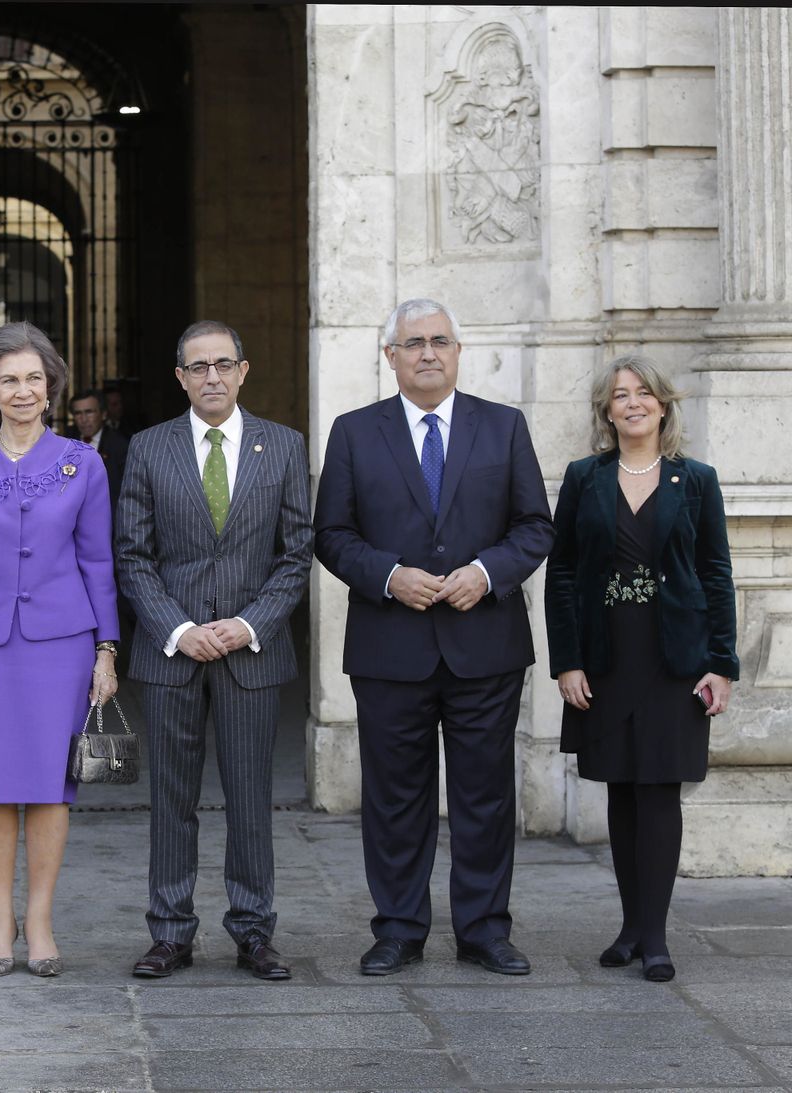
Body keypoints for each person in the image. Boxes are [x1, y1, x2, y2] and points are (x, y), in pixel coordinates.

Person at [314, 298, 553, 977]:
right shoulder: (356, 432)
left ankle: (483, 928)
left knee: (485, 795)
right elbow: (331, 535)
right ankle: (397, 927)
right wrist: (389, 576)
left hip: (486, 644)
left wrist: (486, 571)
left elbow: (535, 525)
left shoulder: (502, 427)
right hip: (391, 647)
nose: (427, 352)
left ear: (457, 350)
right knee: (394, 798)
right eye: (412, 342)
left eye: (439, 340)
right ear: (390, 356)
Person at [115, 320, 312, 982]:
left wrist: (248, 623)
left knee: (251, 796)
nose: (212, 377)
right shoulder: (148, 449)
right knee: (171, 799)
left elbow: (296, 553)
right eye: (197, 367)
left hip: (250, 654)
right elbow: (133, 555)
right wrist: (177, 629)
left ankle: (254, 931)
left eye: (223, 364)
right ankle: (170, 931)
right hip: (171, 656)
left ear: (243, 370)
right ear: (180, 377)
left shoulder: (282, 447)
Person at [0, 321, 119, 978]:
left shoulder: (82, 462)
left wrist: (106, 649)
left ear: (52, 385)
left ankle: (39, 919)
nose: (24, 389)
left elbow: (98, 561)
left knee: (52, 786)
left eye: (35, 377)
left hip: (61, 646)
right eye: (10, 379)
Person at [545, 355, 737, 983]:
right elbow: (564, 572)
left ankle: (655, 937)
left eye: (643, 393)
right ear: (607, 411)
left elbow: (715, 574)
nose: (632, 403)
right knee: (622, 789)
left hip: (674, 658)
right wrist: (567, 662)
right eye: (619, 395)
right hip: (607, 655)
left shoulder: (697, 480)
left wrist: (721, 664)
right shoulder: (584, 477)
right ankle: (631, 926)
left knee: (659, 789)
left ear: (662, 404)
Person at [68, 388, 130, 508]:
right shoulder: (64, 442)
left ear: (104, 414)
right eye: (78, 413)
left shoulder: (120, 446)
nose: (84, 419)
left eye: (89, 412)